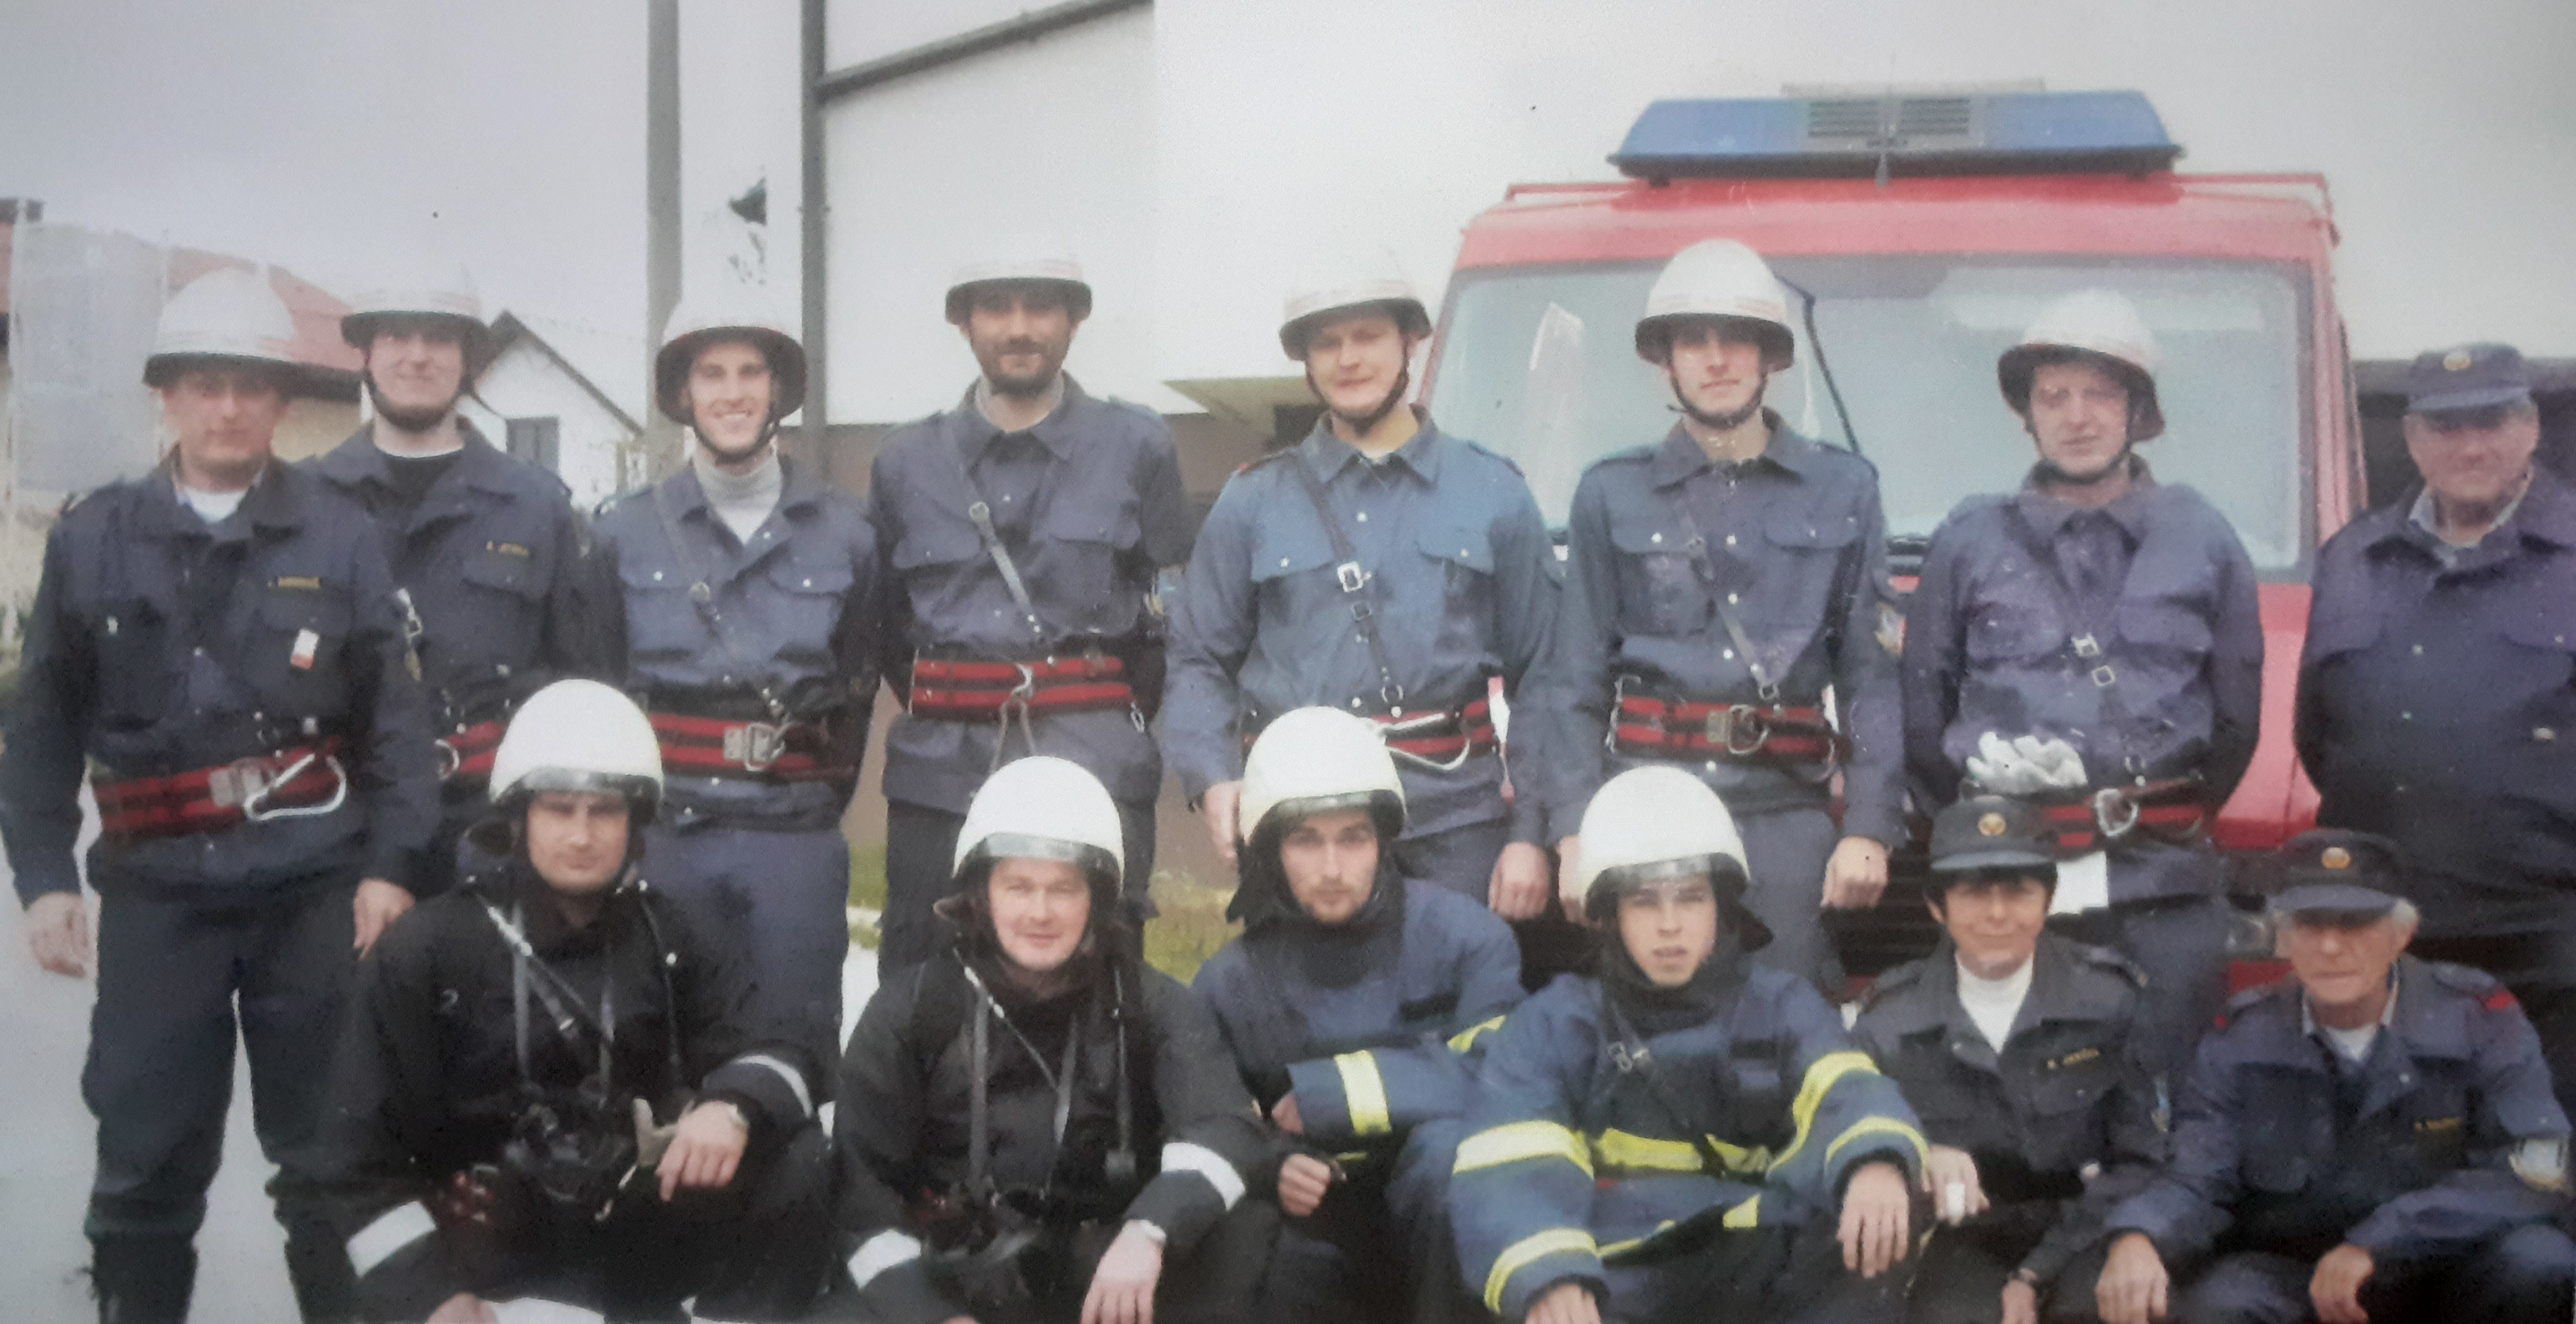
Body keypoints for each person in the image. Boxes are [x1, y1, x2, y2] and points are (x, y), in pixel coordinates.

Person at [0, 266, 438, 1322]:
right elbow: (42, 724)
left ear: (281, 401)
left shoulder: (340, 536)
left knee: (327, 1163)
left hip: (312, 892)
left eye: (250, 386)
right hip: (157, 894)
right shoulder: (94, 537)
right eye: (205, 384)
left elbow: (396, 724)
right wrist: (45, 879)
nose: (229, 407)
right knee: (145, 1166)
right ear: (167, 394)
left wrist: (391, 869)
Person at [321, 679, 835, 1323]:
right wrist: (427, 1295)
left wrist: (732, 1105)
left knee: (802, 1160)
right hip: (486, 1260)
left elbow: (789, 1046)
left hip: (633, 1243)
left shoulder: (677, 930)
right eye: (560, 809)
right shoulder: (429, 949)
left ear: (635, 821)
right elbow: (356, 1162)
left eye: (605, 811)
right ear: (519, 818)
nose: (582, 834)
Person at [1902, 288, 2262, 1078]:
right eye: (2053, 396)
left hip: (2162, 889)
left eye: (2100, 393)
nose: (2077, 416)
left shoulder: (2202, 536)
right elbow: (1924, 724)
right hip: (2018, 892)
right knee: (2024, 1104)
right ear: (2026, 416)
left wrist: (2144, 815)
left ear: (2139, 410)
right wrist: (2006, 836)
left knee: (2170, 1098)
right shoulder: (1970, 539)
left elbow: (2238, 721)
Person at [1165, 245, 1559, 941]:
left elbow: (1547, 673)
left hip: (1453, 825)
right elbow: (1197, 657)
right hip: (1301, 825)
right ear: (1307, 362)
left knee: (1458, 998)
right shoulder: (1253, 500)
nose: (1348, 359)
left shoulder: (1492, 491)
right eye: (1327, 343)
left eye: (1369, 336)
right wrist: (1213, 778)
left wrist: (1529, 830)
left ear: (1410, 342)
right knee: (1302, 1002)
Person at [1539, 238, 1902, 992]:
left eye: (1737, 338)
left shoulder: (1844, 488)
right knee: (1653, 1019)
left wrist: (1868, 825)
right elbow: (1573, 679)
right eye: (1692, 341)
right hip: (1648, 801)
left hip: (1784, 811)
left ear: (1770, 357)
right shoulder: (1611, 493)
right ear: (1665, 363)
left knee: (1789, 1013)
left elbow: (1870, 678)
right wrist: (1573, 830)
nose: (1715, 360)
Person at [1450, 765, 1927, 1324]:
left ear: (1722, 907)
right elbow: (1509, 1163)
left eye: (1691, 897)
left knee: (1880, 1216)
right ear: (1609, 915)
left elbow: (1847, 1089)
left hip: (1759, 1259)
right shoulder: (1556, 1022)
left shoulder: (1781, 1003)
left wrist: (1873, 1161)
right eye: (1645, 901)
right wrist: (1548, 1271)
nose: (1670, 924)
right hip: (1621, 1270)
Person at [823, 755, 1273, 1324]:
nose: (1040, 912)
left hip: (1106, 1283)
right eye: (1018, 886)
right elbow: (860, 1194)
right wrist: (929, 1315)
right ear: (982, 895)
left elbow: (1223, 1125)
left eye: (1063, 888)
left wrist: (1151, 1228)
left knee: (1243, 1226)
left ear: (1098, 899)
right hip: (957, 1280)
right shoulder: (913, 1008)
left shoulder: (1149, 1003)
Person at [2094, 829, 2576, 1324]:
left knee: (2539, 1261)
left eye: (2356, 924)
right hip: (2301, 1271)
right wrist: (2139, 1235)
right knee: (2220, 1302)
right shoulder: (2242, 1036)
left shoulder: (2480, 1018)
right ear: (2283, 937)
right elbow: (2198, 1175)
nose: (2330, 946)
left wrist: (2382, 1241)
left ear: (2401, 934)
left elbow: (2535, 1170)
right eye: (2310, 924)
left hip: (2443, 1265)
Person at [869, 245, 1192, 969]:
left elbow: (1168, 618)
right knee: (925, 988)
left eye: (1041, 307)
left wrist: (1093, 709)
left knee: (1098, 985)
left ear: (1075, 320)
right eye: (996, 308)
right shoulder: (905, 461)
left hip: (1094, 763)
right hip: (941, 773)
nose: (1019, 328)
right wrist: (962, 694)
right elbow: (885, 627)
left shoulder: (1138, 446)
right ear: (963, 323)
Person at [582, 295, 878, 1078]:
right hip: (666, 837)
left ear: (779, 390)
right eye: (712, 374)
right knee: (654, 1065)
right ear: (682, 393)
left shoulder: (847, 532)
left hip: (794, 837)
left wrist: (808, 796)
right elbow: (601, 688)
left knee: (789, 1065)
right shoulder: (622, 532)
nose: (734, 392)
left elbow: (856, 687)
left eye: (752, 372)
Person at [2296, 342, 2576, 1119]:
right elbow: (2322, 733)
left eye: (2492, 421)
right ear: (2414, 439)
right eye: (2448, 427)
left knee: (2548, 1155)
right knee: (2402, 1153)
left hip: (2547, 937)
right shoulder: (2353, 558)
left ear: (2531, 428)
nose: (2471, 446)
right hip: (2392, 931)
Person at [1192, 707, 1523, 1323]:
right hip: (1313, 1231)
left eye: (1353, 837)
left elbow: (1507, 1079)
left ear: (1383, 841)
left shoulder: (1469, 939)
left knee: (1452, 1154)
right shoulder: (1227, 983)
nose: (1332, 868)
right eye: (1305, 840)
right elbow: (1204, 1121)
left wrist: (1335, 1091)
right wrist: (1272, 1165)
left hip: (1440, 1227)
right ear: (1269, 850)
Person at [310, 253, 585, 893]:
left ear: (468, 359)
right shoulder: (305, 502)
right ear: (365, 354)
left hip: (492, 831)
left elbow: (581, 683)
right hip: (341, 837)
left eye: (439, 338)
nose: (417, 356)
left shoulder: (537, 507)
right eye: (395, 335)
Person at [1851, 795, 2163, 1324]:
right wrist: (1919, 1153)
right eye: (1973, 892)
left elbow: (2143, 1156)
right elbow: (1850, 1127)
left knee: (2110, 1308)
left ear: (2048, 900)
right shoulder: (1889, 1020)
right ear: (1937, 906)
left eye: (2018, 891)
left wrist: (2037, 1270)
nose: (1997, 913)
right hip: (1963, 1237)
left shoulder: (2109, 1000)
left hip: (2085, 1225)